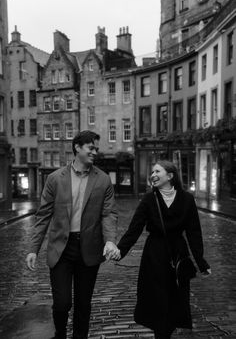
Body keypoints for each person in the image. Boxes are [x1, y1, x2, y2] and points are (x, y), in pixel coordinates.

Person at [26, 130, 118, 339]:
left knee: (84, 304)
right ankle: (60, 333)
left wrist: (110, 240)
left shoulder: (103, 180)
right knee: (62, 303)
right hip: (61, 249)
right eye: (91, 148)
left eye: (96, 148)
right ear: (77, 147)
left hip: (89, 249)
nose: (95, 152)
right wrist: (33, 249)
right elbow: (43, 216)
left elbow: (109, 213)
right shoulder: (55, 178)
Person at [114, 160, 211, 339]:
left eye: (157, 171)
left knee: (176, 300)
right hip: (155, 254)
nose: (153, 175)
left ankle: (167, 331)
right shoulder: (149, 199)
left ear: (170, 176)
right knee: (158, 300)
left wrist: (201, 261)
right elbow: (135, 228)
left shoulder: (187, 199)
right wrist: (120, 250)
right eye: (152, 171)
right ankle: (161, 333)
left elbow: (194, 232)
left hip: (178, 256)